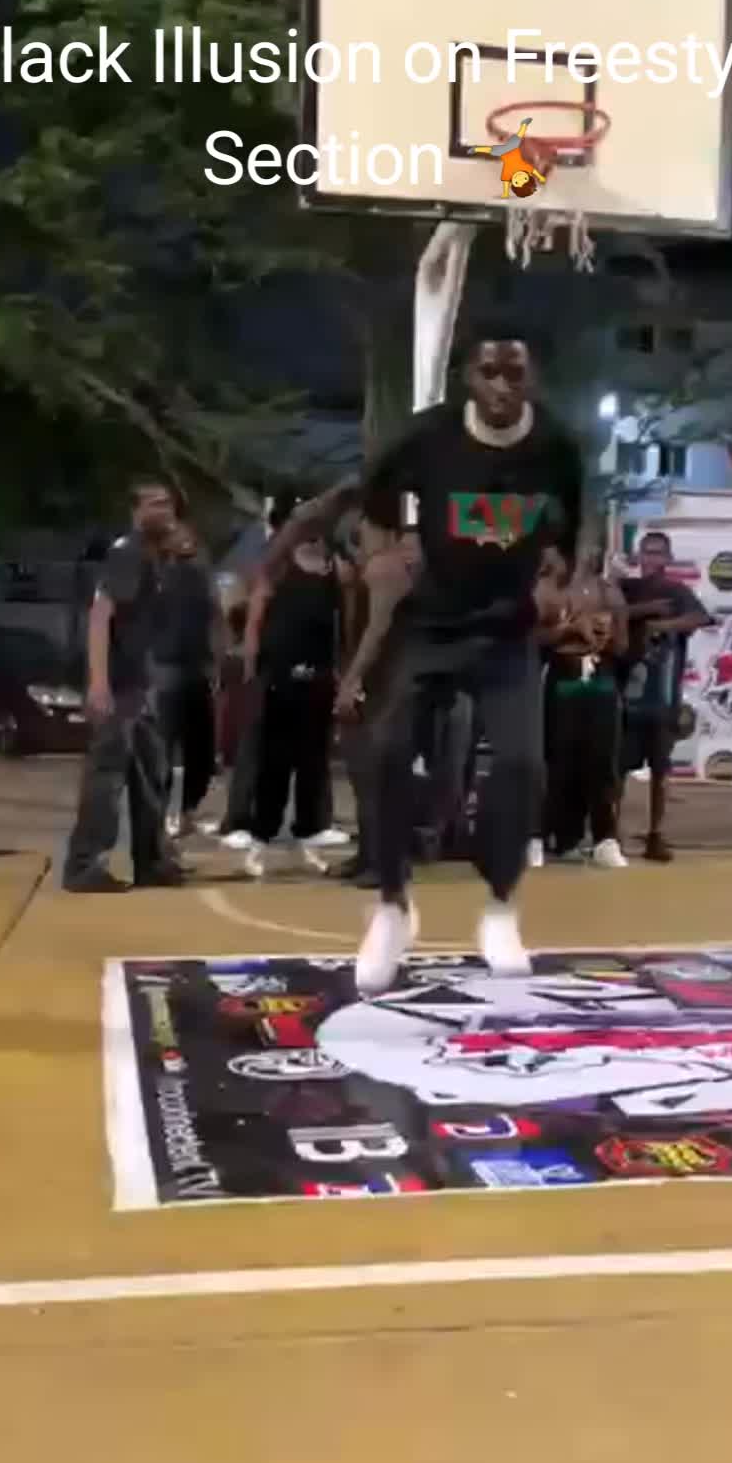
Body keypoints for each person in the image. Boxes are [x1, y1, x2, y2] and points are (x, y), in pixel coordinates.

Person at [260, 324, 582, 989]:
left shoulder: (556, 446)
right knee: (384, 752)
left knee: (522, 765)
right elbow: (368, 499)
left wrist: (561, 579)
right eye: (489, 372)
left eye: (515, 373)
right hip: (430, 625)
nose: (502, 386)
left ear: (533, 379)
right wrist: (382, 549)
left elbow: (574, 528)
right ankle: (391, 907)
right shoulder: (426, 437)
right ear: (467, 377)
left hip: (506, 631)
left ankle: (500, 907)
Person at [62, 478, 183, 893]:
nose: (165, 510)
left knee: (151, 773)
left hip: (140, 683)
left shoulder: (155, 556)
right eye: (155, 504)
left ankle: (152, 862)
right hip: (119, 683)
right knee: (107, 777)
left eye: (168, 503)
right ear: (136, 511)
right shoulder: (128, 552)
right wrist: (99, 683)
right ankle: (84, 866)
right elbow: (101, 615)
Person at [240, 504, 351, 875]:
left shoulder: (336, 567)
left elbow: (347, 622)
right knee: (275, 760)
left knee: (313, 761)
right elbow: (256, 615)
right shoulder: (279, 565)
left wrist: (343, 671)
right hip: (280, 674)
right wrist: (251, 661)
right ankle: (261, 835)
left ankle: (308, 831)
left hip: (319, 675)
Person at [616, 529, 710, 863]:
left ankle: (656, 835)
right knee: (617, 770)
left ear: (668, 558)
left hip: (663, 697)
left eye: (657, 552)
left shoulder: (677, 591)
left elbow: (700, 617)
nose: (651, 558)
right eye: (647, 551)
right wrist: (646, 611)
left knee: (661, 772)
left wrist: (664, 626)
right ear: (637, 556)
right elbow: (609, 613)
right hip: (626, 698)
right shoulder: (625, 589)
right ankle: (612, 835)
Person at [335, 520, 418, 886]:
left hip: (389, 683)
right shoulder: (369, 568)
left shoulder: (387, 568)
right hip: (377, 680)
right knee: (361, 769)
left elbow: (377, 629)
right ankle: (369, 853)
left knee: (378, 772)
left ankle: (387, 862)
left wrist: (352, 678)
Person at [543, 574, 629, 866]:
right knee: (563, 758)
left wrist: (604, 636)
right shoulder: (551, 586)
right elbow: (536, 637)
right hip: (563, 677)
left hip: (600, 679)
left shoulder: (608, 591)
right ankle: (566, 837)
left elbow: (622, 645)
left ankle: (606, 838)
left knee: (603, 758)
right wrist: (569, 630)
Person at [155, 521, 223, 839]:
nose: (186, 541)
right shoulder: (155, 575)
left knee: (201, 750)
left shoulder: (202, 577)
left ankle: (187, 814)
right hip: (165, 669)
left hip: (197, 669)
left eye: (190, 536)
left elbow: (216, 619)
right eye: (178, 536)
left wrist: (217, 663)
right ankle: (158, 817)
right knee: (164, 749)